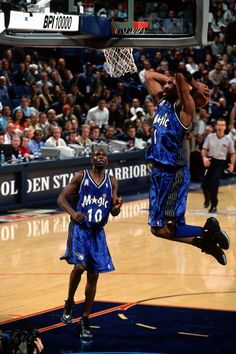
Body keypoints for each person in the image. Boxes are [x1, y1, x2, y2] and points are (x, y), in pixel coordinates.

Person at [144, 69, 230, 266]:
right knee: (157, 230)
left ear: (182, 89)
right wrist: (171, 80)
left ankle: (206, 233)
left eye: (169, 84)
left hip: (172, 173)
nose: (164, 86)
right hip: (158, 172)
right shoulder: (163, 102)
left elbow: (182, 76)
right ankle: (206, 242)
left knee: (165, 227)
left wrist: (191, 85)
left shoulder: (185, 109)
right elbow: (149, 75)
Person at [57, 148, 122, 340]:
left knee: (93, 274)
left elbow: (113, 210)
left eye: (103, 154)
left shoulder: (112, 181)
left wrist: (117, 208)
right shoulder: (81, 177)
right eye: (97, 154)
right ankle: (69, 302)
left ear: (107, 160)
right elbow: (61, 199)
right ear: (92, 159)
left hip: (97, 232)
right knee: (80, 266)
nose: (100, 157)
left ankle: (84, 319)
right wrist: (73, 213)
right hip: (80, 230)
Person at [201, 118, 235, 213]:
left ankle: (214, 205)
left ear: (225, 127)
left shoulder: (228, 139)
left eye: (222, 125)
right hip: (210, 161)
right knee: (204, 185)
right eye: (219, 124)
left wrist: (232, 164)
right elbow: (204, 149)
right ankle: (207, 199)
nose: (220, 127)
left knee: (214, 184)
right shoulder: (210, 137)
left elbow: (233, 153)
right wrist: (204, 158)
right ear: (216, 126)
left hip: (220, 163)